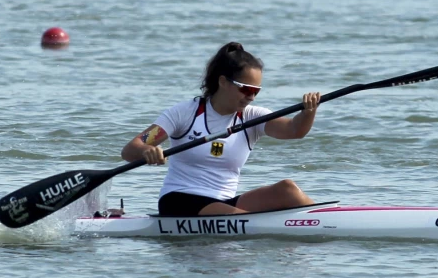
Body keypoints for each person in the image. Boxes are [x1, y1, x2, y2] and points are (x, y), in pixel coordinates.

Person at [121, 42, 321, 216]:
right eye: (246, 89)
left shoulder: (252, 117)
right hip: (180, 201)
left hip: (224, 203)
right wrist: (148, 151)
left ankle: (326, 218)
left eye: (256, 91)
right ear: (223, 82)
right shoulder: (184, 113)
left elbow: (295, 130)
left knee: (288, 190)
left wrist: (309, 112)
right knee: (240, 235)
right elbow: (131, 149)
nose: (251, 97)